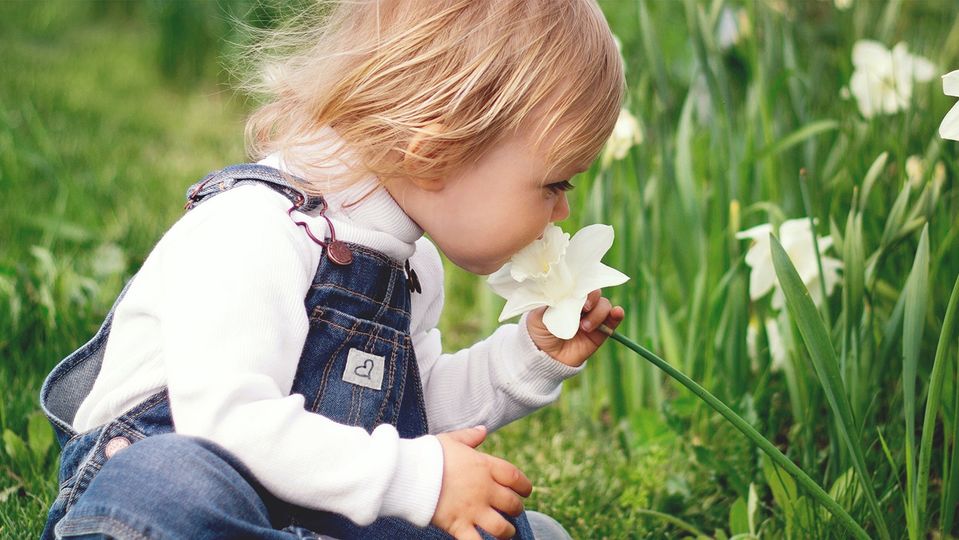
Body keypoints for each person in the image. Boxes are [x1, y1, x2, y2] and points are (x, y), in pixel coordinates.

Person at [39, 0, 626, 538]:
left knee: (504, 526)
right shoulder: (256, 227)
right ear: (434, 151)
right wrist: (420, 479)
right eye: (553, 184)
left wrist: (526, 359)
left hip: (307, 508)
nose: (564, 210)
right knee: (174, 481)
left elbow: (406, 418)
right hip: (179, 486)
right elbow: (224, 422)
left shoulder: (410, 265)